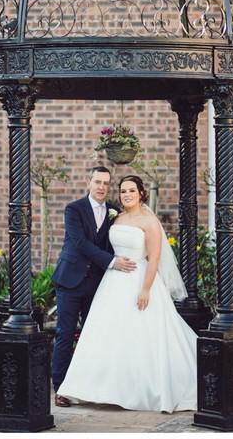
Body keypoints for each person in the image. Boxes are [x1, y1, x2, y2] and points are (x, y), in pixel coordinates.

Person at [57, 175, 198, 412]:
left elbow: (153, 258)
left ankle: (138, 389)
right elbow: (94, 244)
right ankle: (93, 388)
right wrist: (111, 262)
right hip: (112, 282)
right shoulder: (117, 216)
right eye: (123, 191)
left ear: (141, 193)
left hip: (138, 280)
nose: (127, 195)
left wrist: (145, 289)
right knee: (105, 334)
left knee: (139, 334)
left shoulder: (149, 220)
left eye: (132, 190)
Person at [51, 166, 136, 408]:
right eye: (97, 182)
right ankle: (61, 388)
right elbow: (79, 243)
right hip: (70, 280)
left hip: (99, 282)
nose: (101, 187)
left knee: (94, 336)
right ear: (88, 182)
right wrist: (112, 262)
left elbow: (119, 241)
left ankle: (91, 387)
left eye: (106, 183)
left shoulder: (114, 212)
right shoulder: (74, 209)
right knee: (65, 334)